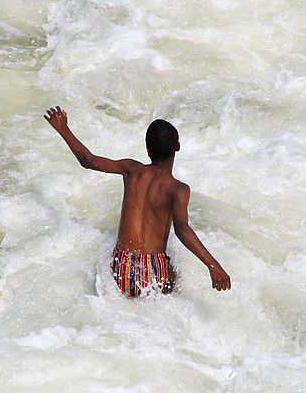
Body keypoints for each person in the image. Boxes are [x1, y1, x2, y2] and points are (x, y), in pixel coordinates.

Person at [44, 106, 231, 297]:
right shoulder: (177, 189)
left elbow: (88, 160)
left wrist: (63, 128)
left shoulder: (131, 169)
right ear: (178, 146)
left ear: (147, 150)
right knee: (175, 278)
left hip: (122, 266)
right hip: (153, 271)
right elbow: (182, 230)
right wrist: (213, 266)